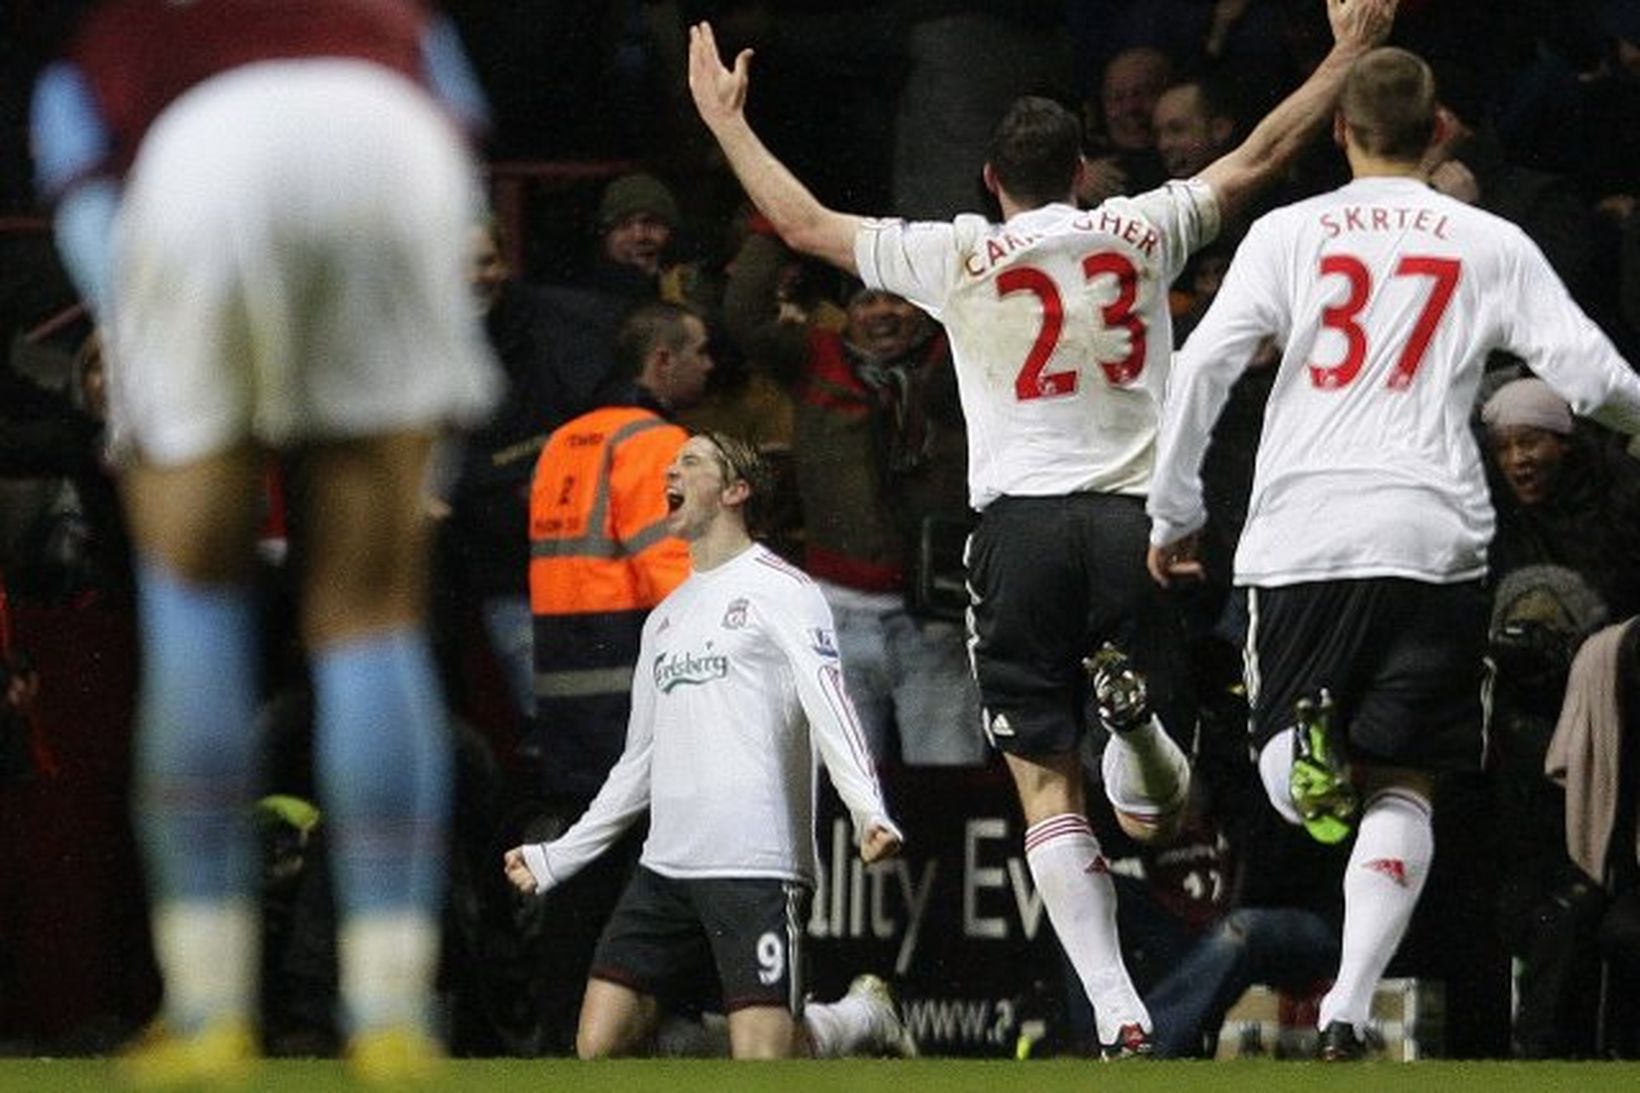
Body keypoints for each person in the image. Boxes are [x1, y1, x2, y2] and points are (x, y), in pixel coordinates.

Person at [688, 0, 1395, 1055]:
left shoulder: (957, 254)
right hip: (1130, 524)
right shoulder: (1142, 227)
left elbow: (803, 227)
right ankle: (1139, 727)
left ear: (990, 180)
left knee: (1040, 784)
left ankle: (1114, 1009)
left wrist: (726, 123)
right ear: (1077, 172)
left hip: (1016, 532)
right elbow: (1257, 155)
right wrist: (1350, 50)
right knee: (1158, 813)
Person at [30, 0, 498, 1082]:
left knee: (195, 606)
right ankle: (387, 1014)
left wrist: (157, 355)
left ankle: (207, 1011)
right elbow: (461, 147)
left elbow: (86, 206)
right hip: (392, 151)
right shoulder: (392, 17)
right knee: (371, 621)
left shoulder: (113, 38)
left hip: (202, 165)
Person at [1144, 46, 1640, 1060]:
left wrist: (1172, 510)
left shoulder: (1287, 232)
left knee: (1289, 785)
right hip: (1429, 535)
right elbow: (1585, 377)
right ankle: (1345, 1011)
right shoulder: (1485, 238)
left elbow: (1199, 367)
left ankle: (1307, 757)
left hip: (1299, 535)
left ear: (1337, 131)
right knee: (1405, 783)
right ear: (1441, 130)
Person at [505, 431, 905, 1058]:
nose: (672, 472)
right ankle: (711, 1035)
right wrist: (560, 856)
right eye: (671, 465)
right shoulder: (664, 619)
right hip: (664, 868)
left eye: (689, 462)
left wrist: (867, 810)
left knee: (767, 1059)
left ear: (735, 491)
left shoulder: (785, 590)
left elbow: (832, 702)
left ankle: (859, 1019)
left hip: (756, 864)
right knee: (597, 1045)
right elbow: (637, 764)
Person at [721, 227, 985, 767]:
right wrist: (779, 224)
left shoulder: (960, 358)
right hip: (837, 612)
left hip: (935, 614)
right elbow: (745, 313)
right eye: (867, 300)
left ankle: (929, 858)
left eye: (898, 298)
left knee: (946, 778)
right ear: (847, 311)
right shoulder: (814, 359)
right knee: (842, 783)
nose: (883, 313)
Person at [521, 299, 709, 1052]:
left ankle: (562, 1025)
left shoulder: (565, 441)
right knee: (652, 864)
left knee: (581, 859)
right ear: (661, 362)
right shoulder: (661, 445)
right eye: (697, 349)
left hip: (564, 682)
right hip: (636, 683)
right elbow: (680, 577)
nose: (710, 362)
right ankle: (653, 1022)